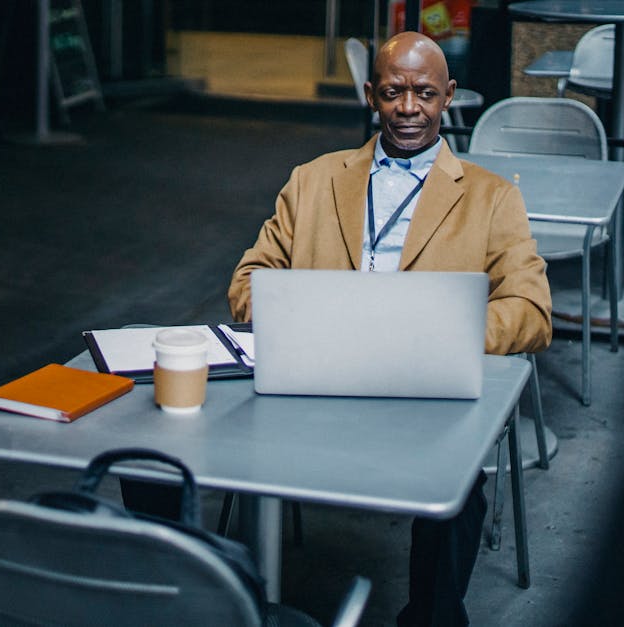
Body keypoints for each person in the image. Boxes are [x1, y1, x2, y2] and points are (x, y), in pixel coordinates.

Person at [227, 32, 552, 626]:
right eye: (394, 91)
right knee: (188, 445)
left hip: (425, 395)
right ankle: (224, 601)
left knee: (458, 487)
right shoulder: (313, 180)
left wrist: (433, 338)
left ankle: (431, 618)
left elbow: (531, 309)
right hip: (317, 381)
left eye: (425, 93)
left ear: (448, 96)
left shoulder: (492, 198)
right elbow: (250, 279)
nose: (409, 108)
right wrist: (313, 322)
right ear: (371, 94)